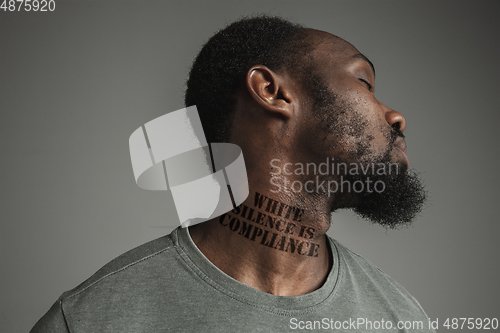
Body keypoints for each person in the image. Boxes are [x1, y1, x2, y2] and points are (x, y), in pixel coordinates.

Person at [31, 15, 432, 332]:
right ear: (271, 91)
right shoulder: (91, 321)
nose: (395, 116)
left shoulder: (402, 318)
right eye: (364, 81)